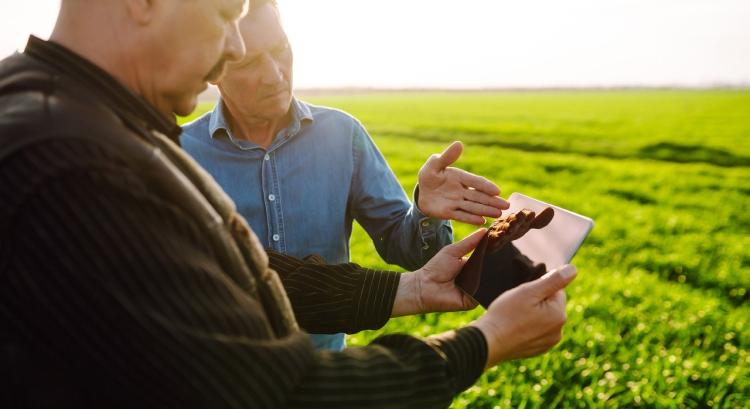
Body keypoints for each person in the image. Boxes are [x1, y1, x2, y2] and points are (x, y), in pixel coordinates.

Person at [0, 0, 577, 408]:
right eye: (227, 14)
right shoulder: (72, 161)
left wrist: (411, 289)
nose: (232, 48)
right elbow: (279, 393)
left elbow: (228, 275)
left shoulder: (69, 118)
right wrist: (484, 343)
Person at [181, 0, 508, 350]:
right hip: (222, 376)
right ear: (213, 66)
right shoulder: (181, 152)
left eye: (280, 50)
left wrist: (425, 214)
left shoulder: (342, 134)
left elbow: (405, 247)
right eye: (249, 62)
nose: (275, 75)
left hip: (332, 374)